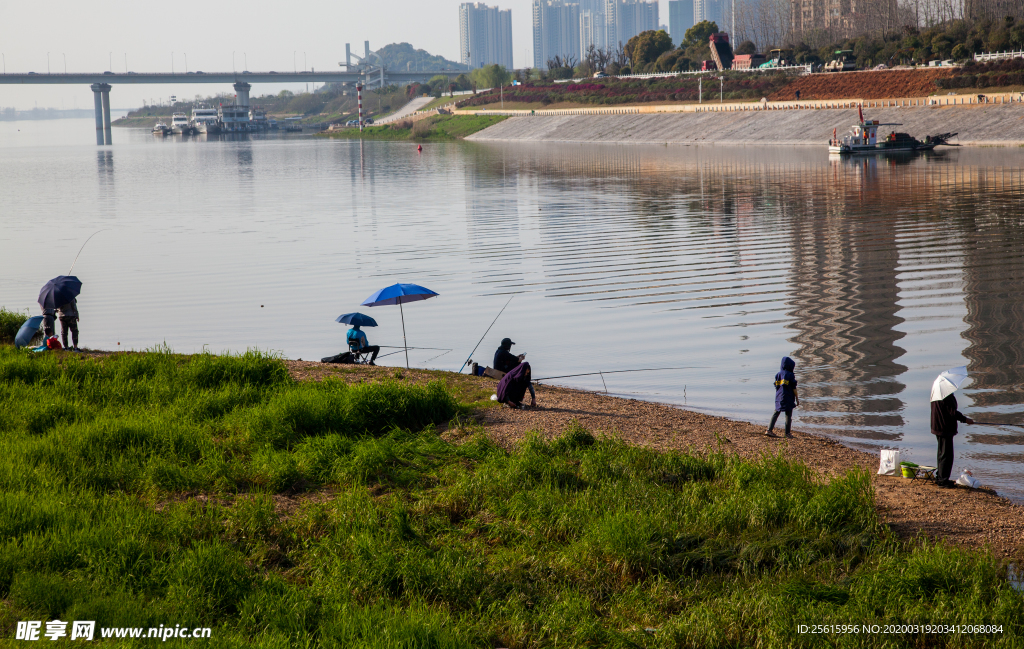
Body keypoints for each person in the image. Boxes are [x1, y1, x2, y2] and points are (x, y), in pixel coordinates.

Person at [931, 393, 973, 488]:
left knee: (942, 453)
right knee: (946, 455)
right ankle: (943, 480)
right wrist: (965, 419)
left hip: (938, 426)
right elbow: (952, 412)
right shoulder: (946, 396)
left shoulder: (936, 394)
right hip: (944, 428)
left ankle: (940, 477)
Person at [494, 337, 535, 405]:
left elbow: (511, 358)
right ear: (507, 345)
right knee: (518, 363)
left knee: (515, 362)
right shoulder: (504, 352)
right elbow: (516, 360)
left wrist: (517, 357)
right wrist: (521, 358)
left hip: (500, 368)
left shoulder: (500, 350)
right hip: (501, 370)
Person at [766, 356, 799, 438]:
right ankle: (787, 433)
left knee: (776, 412)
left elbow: (776, 386)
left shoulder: (778, 374)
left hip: (778, 397)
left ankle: (769, 430)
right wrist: (797, 399)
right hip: (788, 397)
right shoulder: (790, 375)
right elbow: (794, 388)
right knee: (788, 415)